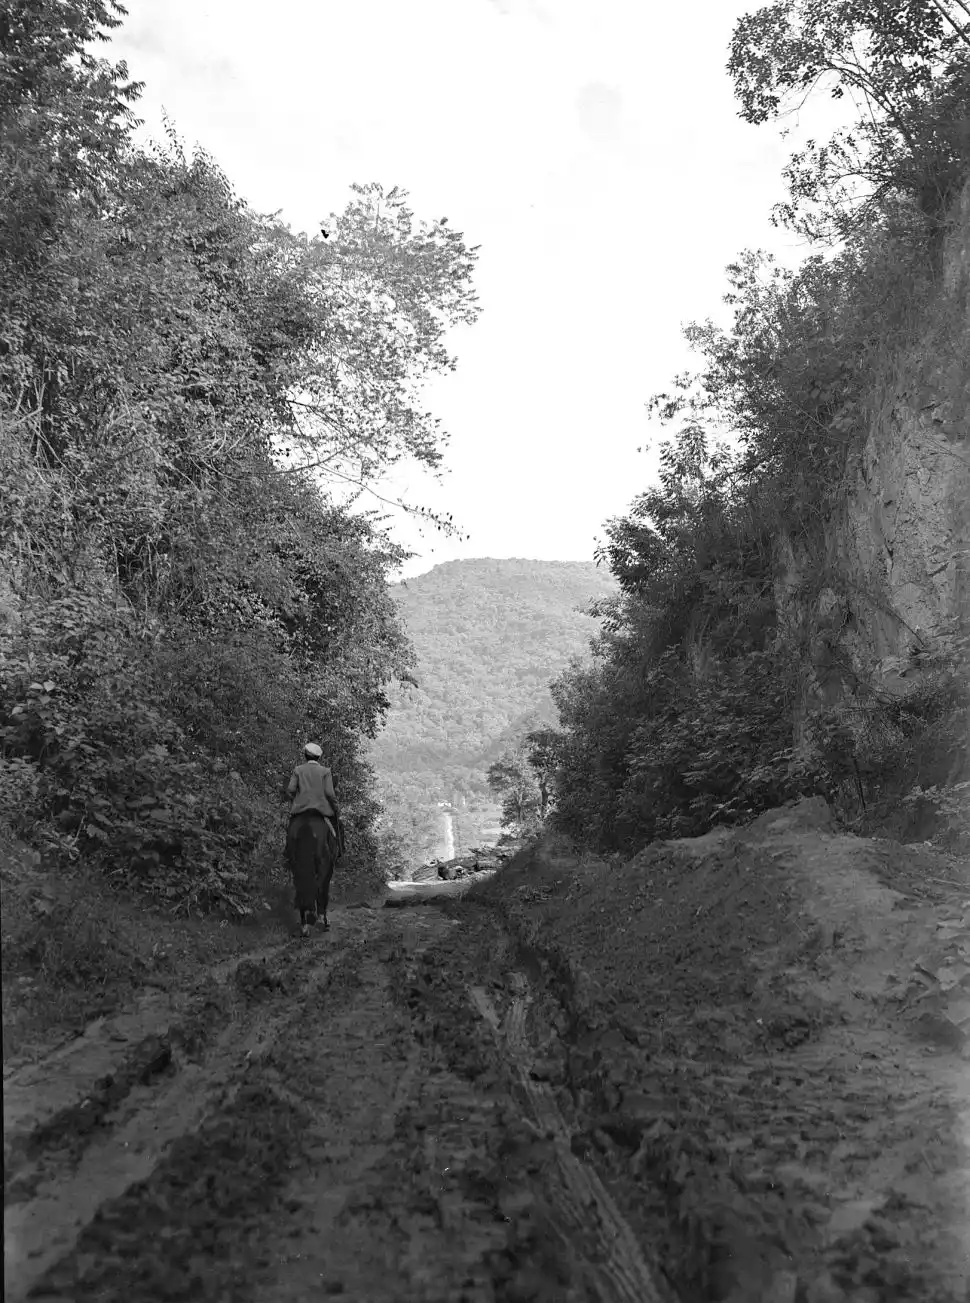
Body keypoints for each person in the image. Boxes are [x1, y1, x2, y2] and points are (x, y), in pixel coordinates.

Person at [284, 743, 342, 935]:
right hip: (321, 814)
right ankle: (339, 852)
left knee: (292, 834)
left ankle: (287, 855)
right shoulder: (325, 771)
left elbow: (290, 790)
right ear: (318, 757)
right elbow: (330, 793)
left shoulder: (298, 770)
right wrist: (335, 807)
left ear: (304, 755)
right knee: (337, 829)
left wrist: (296, 798)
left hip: (300, 813)